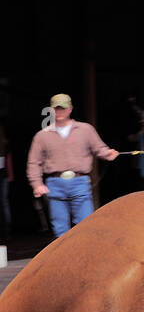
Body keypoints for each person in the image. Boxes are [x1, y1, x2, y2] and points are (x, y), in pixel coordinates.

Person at [25, 93, 120, 237]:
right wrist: (37, 184)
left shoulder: (85, 129)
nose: (60, 112)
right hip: (55, 184)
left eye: (63, 108)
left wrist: (107, 153)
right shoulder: (42, 135)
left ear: (70, 109)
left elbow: (99, 148)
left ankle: (86, 258)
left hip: (79, 182)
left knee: (86, 224)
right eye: (56, 109)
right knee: (60, 229)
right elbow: (34, 162)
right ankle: (65, 259)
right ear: (51, 110)